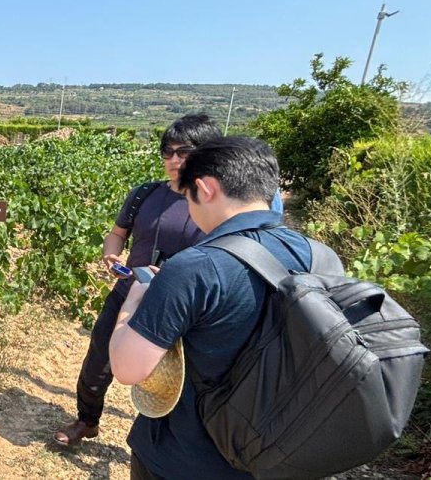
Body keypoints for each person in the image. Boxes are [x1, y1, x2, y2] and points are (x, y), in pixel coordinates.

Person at [110, 137, 319, 480]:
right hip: (276, 454)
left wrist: (136, 298)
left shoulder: (195, 267)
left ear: (205, 189)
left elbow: (128, 368)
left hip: (185, 458)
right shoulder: (320, 256)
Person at [54, 113, 220, 447]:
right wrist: (111, 256)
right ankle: (87, 421)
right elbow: (117, 235)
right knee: (98, 363)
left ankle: (163, 442)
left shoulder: (215, 204)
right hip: (129, 292)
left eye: (183, 152)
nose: (173, 160)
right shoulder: (144, 195)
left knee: (172, 380)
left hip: (179, 307)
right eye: (168, 152)